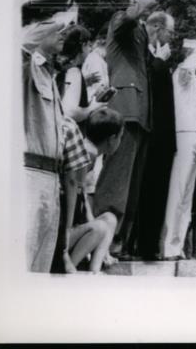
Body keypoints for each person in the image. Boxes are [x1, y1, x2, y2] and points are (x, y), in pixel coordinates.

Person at [93, 0, 160, 259]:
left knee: (132, 185)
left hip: (140, 115)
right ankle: (103, 241)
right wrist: (145, 2)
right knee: (116, 181)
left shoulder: (141, 31)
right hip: (126, 112)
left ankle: (120, 241)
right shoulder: (121, 21)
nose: (154, 5)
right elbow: (131, 16)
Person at [21, 0, 75, 272]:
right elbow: (22, 43)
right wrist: (55, 19)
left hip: (51, 178)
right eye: (58, 27)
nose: (64, 32)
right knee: (23, 261)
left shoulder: (48, 72)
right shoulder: (24, 64)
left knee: (40, 268)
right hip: (30, 176)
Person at [62, 108, 125, 273]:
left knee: (110, 219)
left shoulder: (92, 152)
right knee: (100, 228)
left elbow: (81, 194)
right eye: (121, 137)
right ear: (112, 139)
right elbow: (75, 190)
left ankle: (95, 270)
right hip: (64, 232)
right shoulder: (87, 154)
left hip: (75, 226)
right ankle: (69, 268)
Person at [161, 39, 196, 260]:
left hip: (194, 137)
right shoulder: (182, 74)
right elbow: (188, 67)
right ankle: (168, 244)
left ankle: (176, 245)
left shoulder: (194, 78)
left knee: (186, 198)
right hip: (183, 135)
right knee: (177, 194)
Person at [137, 9, 177, 259]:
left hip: (163, 138)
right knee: (147, 191)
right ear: (157, 29)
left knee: (158, 192)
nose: (171, 38)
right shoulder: (144, 54)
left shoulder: (156, 55)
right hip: (151, 135)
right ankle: (143, 244)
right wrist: (160, 62)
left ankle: (151, 244)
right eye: (170, 32)